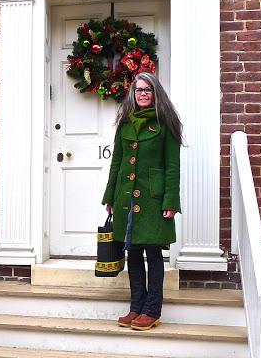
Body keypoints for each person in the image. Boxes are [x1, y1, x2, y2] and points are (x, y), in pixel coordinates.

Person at [101, 72, 182, 331]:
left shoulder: (165, 124)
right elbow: (117, 163)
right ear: (133, 95)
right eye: (138, 90)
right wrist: (109, 196)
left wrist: (171, 200)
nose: (143, 94)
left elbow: (172, 166)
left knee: (153, 254)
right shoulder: (125, 124)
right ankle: (136, 307)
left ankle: (152, 310)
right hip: (125, 199)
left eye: (148, 89)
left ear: (155, 93)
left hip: (153, 200)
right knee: (133, 254)